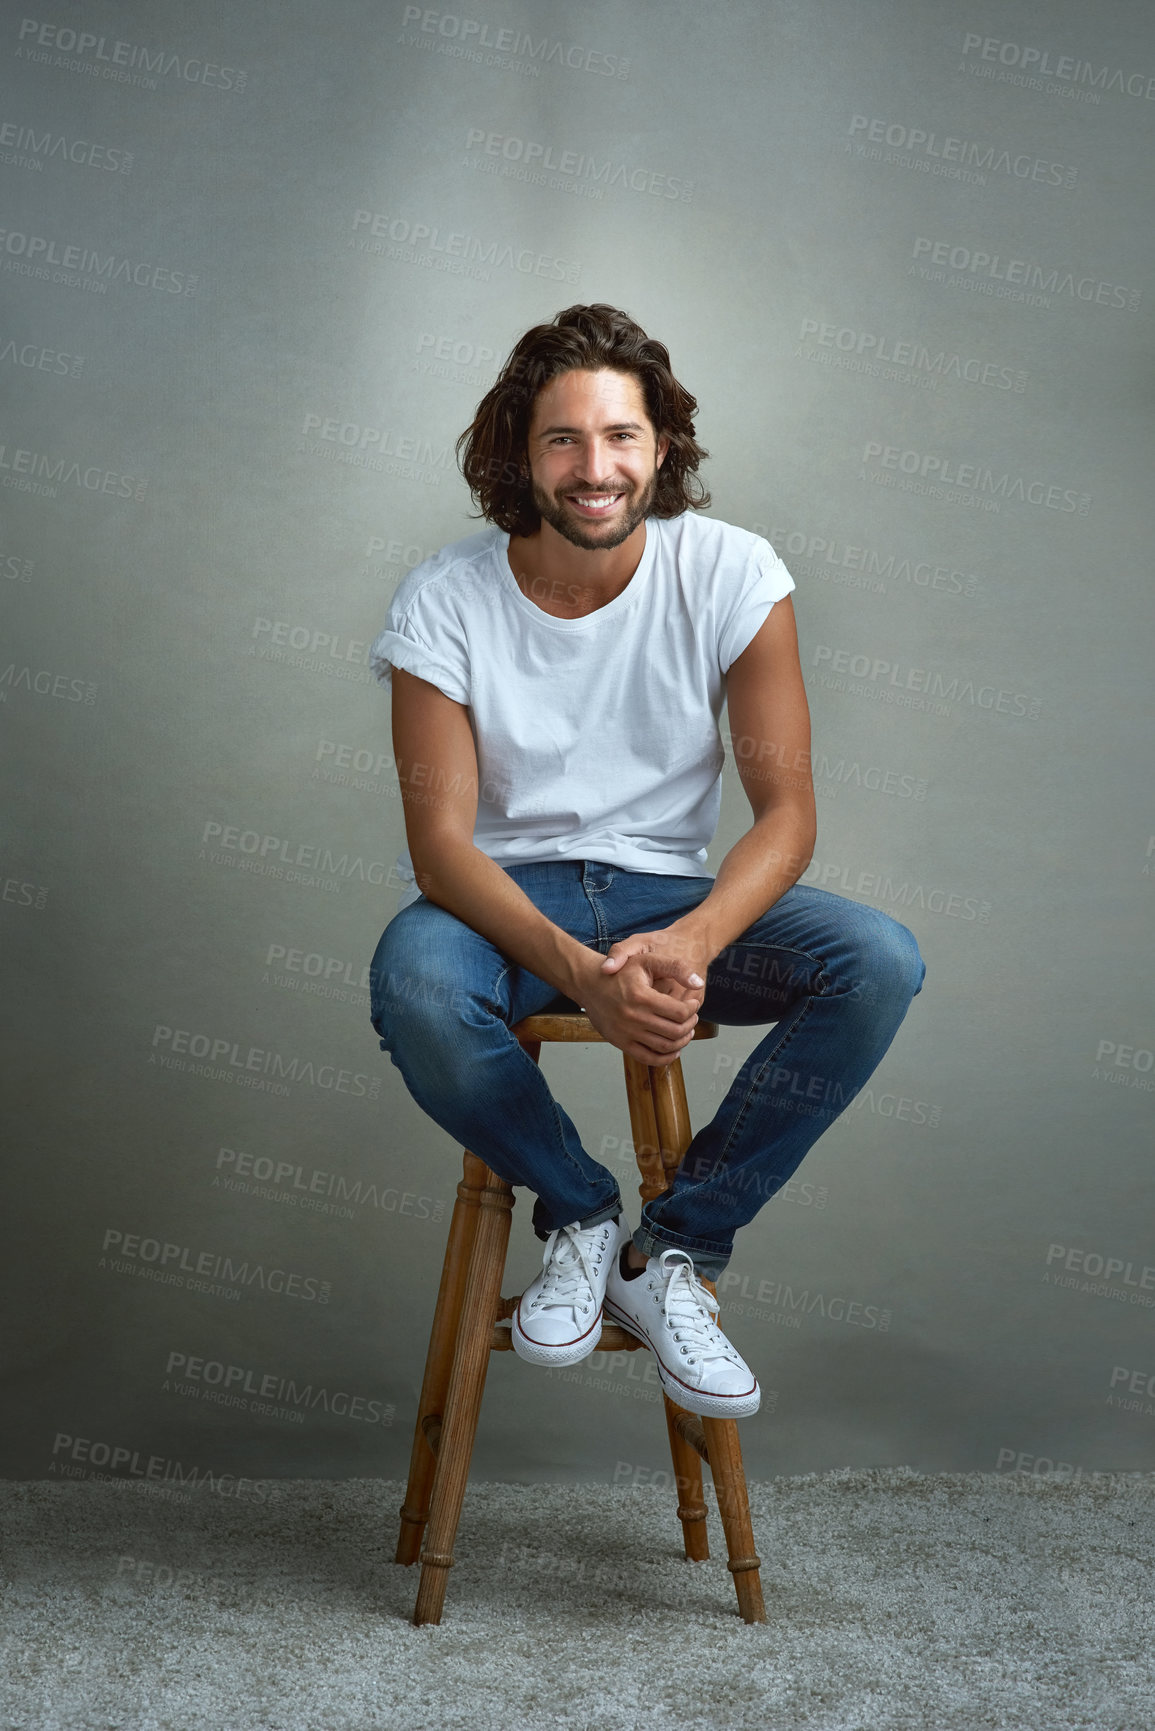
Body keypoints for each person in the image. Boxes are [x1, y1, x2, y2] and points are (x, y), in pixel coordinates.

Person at [368, 303, 925, 1420]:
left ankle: (668, 1253)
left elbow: (787, 814)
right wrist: (586, 979)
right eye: (563, 439)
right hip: (503, 906)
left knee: (877, 959)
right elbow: (439, 852)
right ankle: (577, 1210)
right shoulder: (444, 596)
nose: (595, 468)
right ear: (518, 457)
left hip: (672, 896)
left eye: (621, 436)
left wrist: (686, 943)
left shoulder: (732, 573)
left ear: (661, 446)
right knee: (415, 983)